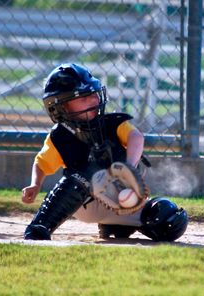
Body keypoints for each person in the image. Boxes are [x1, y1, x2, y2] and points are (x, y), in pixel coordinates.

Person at [22, 63, 188, 241]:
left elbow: (136, 138)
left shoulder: (112, 123)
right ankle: (39, 227)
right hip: (84, 200)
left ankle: (115, 224)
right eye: (84, 98)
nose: (93, 100)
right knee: (89, 169)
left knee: (169, 220)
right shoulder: (60, 137)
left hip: (120, 200)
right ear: (61, 107)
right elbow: (41, 163)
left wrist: (129, 167)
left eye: (93, 94)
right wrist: (36, 184)